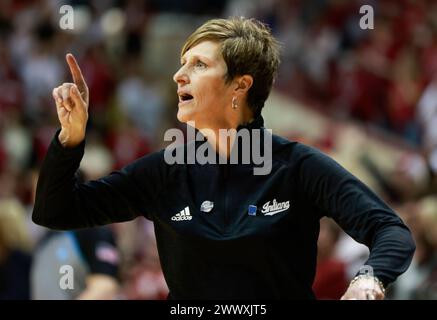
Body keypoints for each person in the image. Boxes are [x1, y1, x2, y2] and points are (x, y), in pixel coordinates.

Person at [32, 17, 415, 300]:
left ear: (240, 85)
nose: (179, 76)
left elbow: (390, 230)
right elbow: (56, 211)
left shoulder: (297, 166)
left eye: (199, 64)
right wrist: (70, 138)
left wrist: (369, 278)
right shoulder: (165, 171)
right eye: (182, 63)